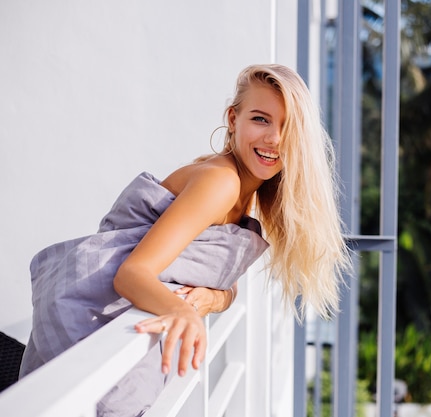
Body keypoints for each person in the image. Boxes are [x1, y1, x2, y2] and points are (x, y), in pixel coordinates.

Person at [19, 63, 351, 416]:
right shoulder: (221, 183)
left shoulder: (241, 192)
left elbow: (224, 284)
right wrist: (184, 313)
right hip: (83, 316)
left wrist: (214, 297)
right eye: (261, 119)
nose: (274, 139)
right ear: (233, 119)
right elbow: (132, 273)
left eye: (288, 126)